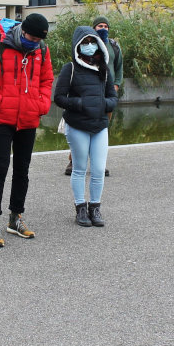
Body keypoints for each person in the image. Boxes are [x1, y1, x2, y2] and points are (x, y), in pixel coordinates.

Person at [0, 13, 53, 247]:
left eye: (39, 40)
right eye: (32, 38)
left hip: (28, 117)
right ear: (22, 31)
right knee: (0, 167)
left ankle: (16, 217)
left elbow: (47, 80)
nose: (34, 42)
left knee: (22, 170)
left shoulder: (41, 51)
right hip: (1, 117)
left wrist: (42, 104)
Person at [53, 26, 118, 227]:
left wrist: (102, 105)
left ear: (98, 44)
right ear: (77, 46)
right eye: (85, 43)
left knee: (98, 169)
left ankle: (95, 208)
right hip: (78, 125)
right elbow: (59, 98)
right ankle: (80, 208)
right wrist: (80, 104)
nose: (89, 46)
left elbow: (113, 97)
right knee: (79, 168)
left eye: (92, 42)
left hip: (100, 125)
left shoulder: (103, 69)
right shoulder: (69, 69)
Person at [65, 15, 123, 177]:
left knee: (102, 128)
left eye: (106, 26)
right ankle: (73, 160)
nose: (103, 29)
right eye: (100, 26)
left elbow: (119, 68)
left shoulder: (114, 46)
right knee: (80, 127)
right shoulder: (88, 44)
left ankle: (99, 164)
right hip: (87, 94)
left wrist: (115, 86)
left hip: (106, 96)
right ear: (93, 29)